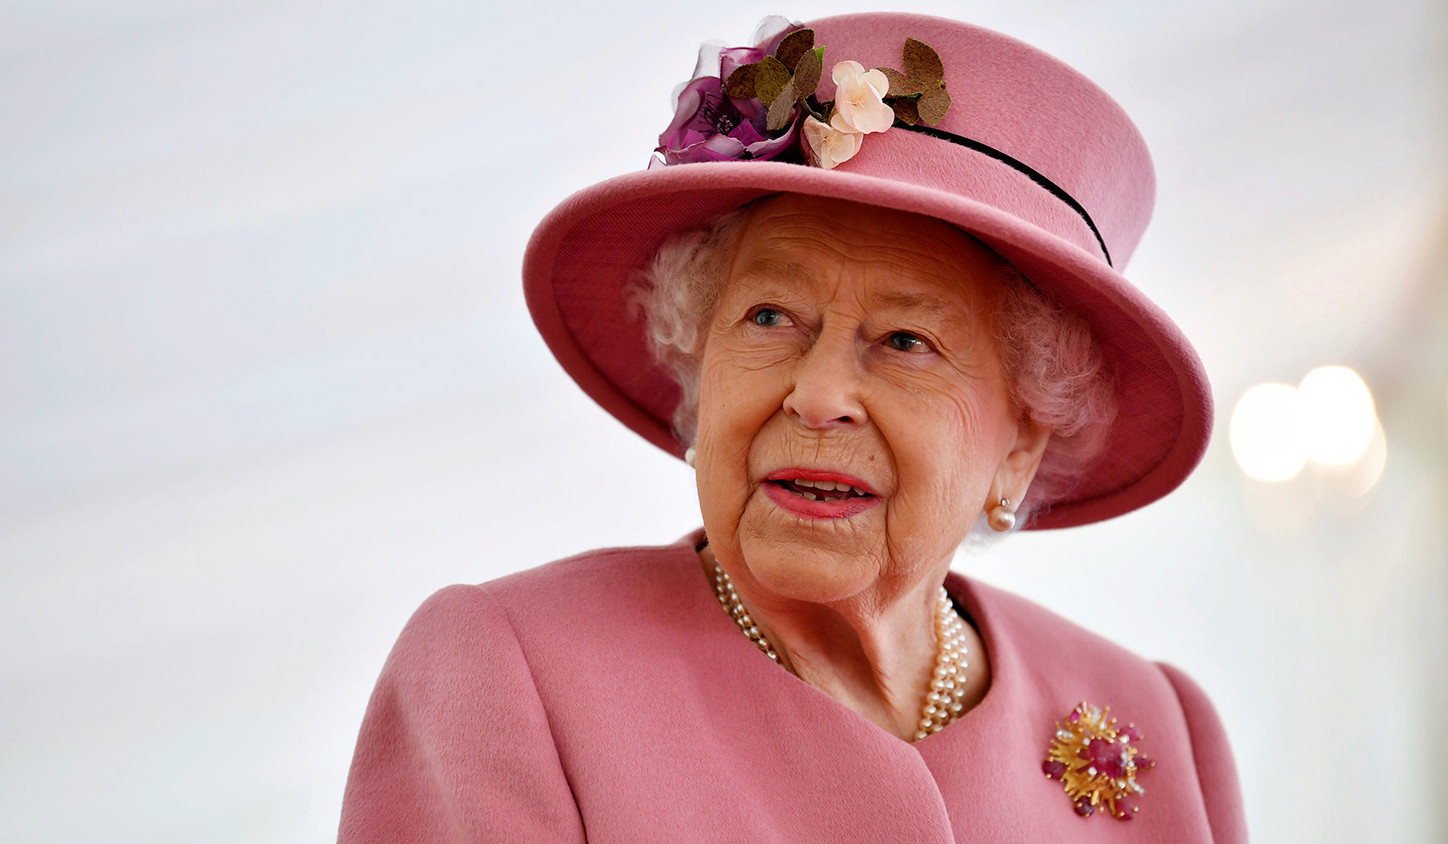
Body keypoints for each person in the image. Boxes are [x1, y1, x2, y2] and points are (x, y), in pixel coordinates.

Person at [339, 12, 1246, 842]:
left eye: (904, 340)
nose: (818, 397)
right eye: (770, 317)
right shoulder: (512, 672)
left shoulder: (1156, 724)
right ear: (699, 366)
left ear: (1020, 443)